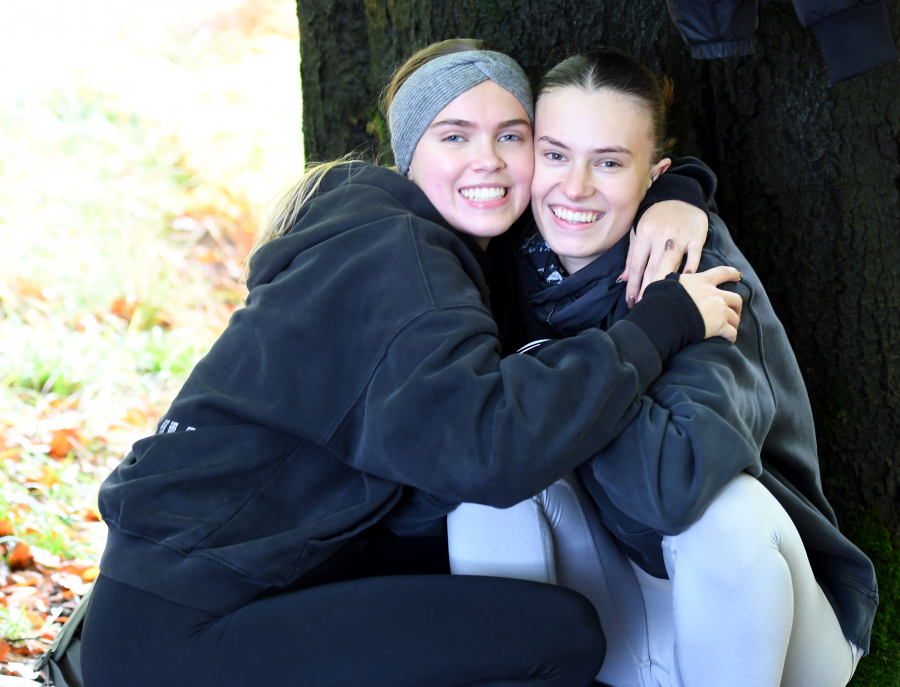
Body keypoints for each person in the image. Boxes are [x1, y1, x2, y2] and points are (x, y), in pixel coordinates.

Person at [79, 40, 743, 687]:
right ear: (409, 156)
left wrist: (678, 188)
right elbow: (492, 447)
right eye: (454, 137)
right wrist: (665, 323)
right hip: (184, 629)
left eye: (511, 137)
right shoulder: (403, 261)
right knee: (558, 637)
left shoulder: (395, 236)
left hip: (211, 594)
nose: (486, 159)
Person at [447, 50, 878, 687]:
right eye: (558, 154)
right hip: (622, 608)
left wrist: (545, 380)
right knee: (484, 485)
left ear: (654, 176)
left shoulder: (699, 273)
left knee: (725, 511)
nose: (576, 187)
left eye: (611, 162)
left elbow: (674, 490)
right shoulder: (507, 256)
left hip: (772, 625)